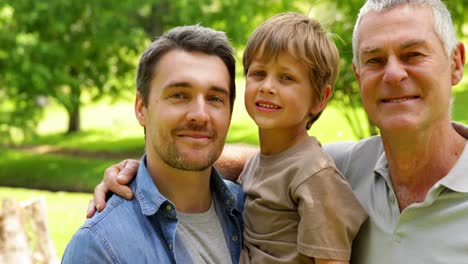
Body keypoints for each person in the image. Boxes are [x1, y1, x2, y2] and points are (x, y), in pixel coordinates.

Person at [90, 0, 468, 263]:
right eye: (374, 60)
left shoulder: (322, 175)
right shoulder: (349, 165)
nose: (393, 74)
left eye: (413, 54)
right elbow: (268, 161)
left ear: (456, 64)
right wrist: (146, 168)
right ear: (358, 76)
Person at [63, 25, 244, 263]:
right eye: (179, 95)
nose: (200, 114)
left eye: (215, 99)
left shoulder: (256, 210)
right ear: (141, 108)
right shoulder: (100, 246)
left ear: (229, 113)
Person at [237, 13, 366, 263]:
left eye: (286, 77)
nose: (267, 86)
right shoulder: (257, 163)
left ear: (320, 99)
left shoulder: (313, 174)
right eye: (259, 73)